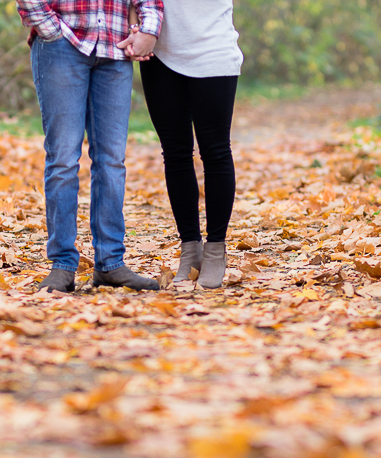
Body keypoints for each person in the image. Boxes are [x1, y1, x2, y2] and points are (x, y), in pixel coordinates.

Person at [17, 0, 165, 293]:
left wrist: (149, 30)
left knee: (112, 161)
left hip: (115, 47)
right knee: (63, 159)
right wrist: (51, 30)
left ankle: (110, 264)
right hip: (62, 44)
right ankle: (62, 265)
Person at [132, 0, 243, 289]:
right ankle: (190, 249)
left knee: (216, 151)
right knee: (176, 153)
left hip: (212, 48)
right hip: (159, 52)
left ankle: (216, 249)